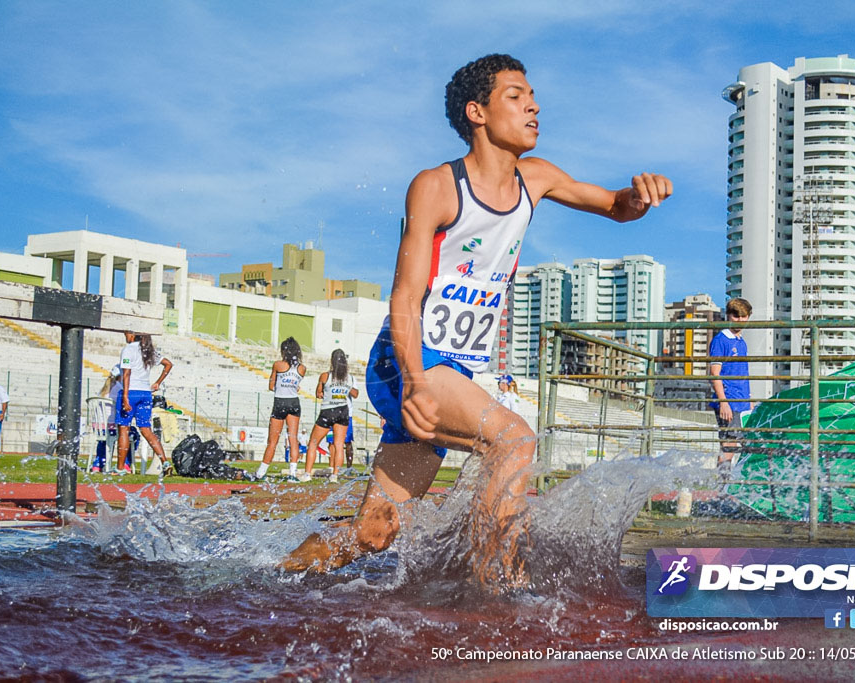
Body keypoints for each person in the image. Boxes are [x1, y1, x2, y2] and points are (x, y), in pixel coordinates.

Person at [283, 54, 672, 581]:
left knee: (374, 533)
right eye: (515, 95)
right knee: (514, 440)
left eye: (532, 95)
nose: (533, 105)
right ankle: (496, 592)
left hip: (453, 373)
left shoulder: (536, 180)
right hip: (409, 361)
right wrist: (417, 380)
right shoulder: (438, 186)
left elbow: (613, 205)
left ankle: (275, 572)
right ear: (478, 112)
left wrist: (640, 198)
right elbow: (403, 294)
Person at [115, 332, 173, 474]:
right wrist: (158, 383)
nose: (125, 336)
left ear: (133, 335)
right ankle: (165, 462)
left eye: (127, 333)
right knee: (146, 429)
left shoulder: (128, 349)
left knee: (124, 429)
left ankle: (120, 468)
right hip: (145, 393)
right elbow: (168, 364)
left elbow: (127, 373)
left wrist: (126, 396)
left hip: (131, 391)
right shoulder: (149, 350)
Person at [708, 297, 753, 478]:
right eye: (736, 316)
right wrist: (723, 401)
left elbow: (743, 372)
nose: (740, 320)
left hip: (742, 401)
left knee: (735, 445)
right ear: (729, 316)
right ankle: (721, 486)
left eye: (743, 317)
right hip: (729, 400)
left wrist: (748, 399)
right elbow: (714, 373)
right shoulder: (721, 340)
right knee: (728, 446)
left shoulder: (741, 342)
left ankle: (728, 485)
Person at [303, 349, 358, 483]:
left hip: (328, 410)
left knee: (313, 443)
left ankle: (307, 474)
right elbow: (355, 394)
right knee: (339, 445)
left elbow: (318, 393)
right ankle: (335, 475)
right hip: (343, 410)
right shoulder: (350, 378)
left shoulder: (325, 376)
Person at [256, 337, 307, 481]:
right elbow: (295, 385)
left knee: (272, 441)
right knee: (293, 438)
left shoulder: (278, 365)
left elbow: (271, 386)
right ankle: (292, 473)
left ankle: (261, 472)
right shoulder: (302, 368)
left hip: (280, 402)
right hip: (294, 403)